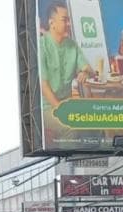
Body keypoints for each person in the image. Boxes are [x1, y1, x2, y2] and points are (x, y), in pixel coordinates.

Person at [39, 1, 94, 138]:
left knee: (95, 120)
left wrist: (84, 72)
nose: (69, 24)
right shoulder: (41, 46)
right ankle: (70, 160)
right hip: (48, 108)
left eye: (69, 20)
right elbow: (43, 86)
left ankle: (96, 158)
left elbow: (89, 69)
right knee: (70, 127)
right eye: (65, 20)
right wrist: (61, 109)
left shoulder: (72, 45)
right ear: (52, 23)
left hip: (68, 103)